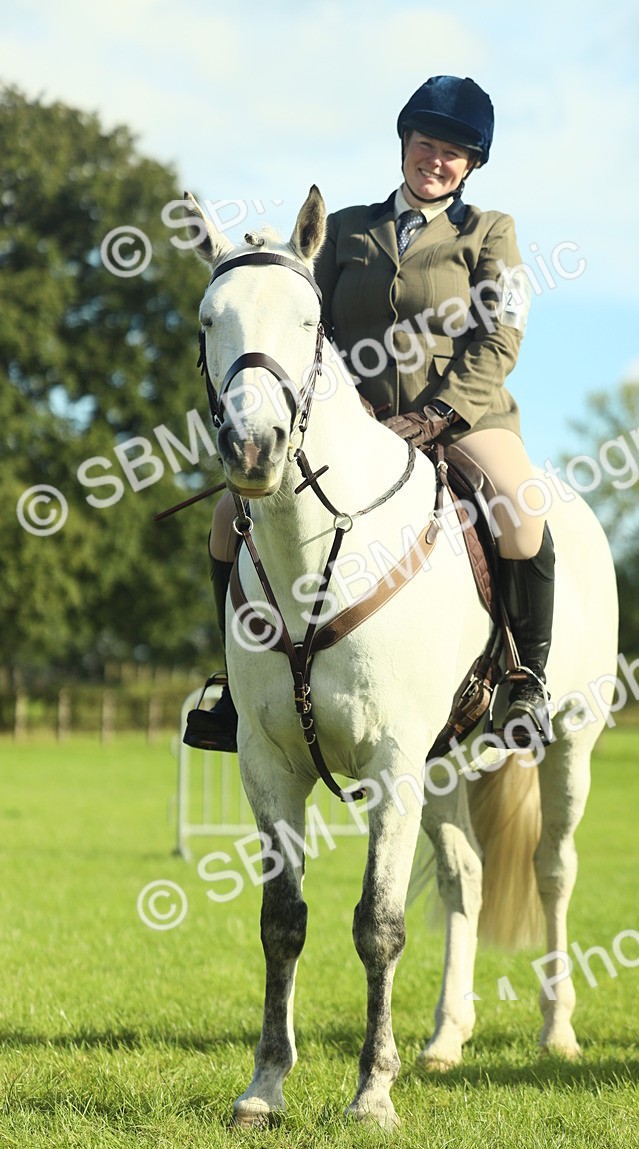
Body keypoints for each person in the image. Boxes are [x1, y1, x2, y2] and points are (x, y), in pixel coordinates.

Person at [184, 75, 555, 753]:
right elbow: (305, 329)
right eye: (425, 143)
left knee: (521, 514)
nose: (435, 160)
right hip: (356, 425)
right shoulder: (347, 229)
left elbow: (500, 338)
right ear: (405, 143)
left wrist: (439, 413)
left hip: (466, 420)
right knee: (225, 519)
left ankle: (526, 679)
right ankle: (239, 686)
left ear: (471, 165)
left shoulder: (489, 233)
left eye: (452, 152)